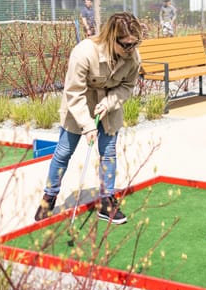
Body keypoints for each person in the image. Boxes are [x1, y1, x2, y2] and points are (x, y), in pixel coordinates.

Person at [34, 12, 143, 225]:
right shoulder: (84, 52)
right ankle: (49, 196)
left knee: (108, 152)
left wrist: (110, 102)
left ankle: (106, 200)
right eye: (126, 45)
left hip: (108, 108)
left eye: (135, 43)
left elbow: (127, 86)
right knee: (64, 152)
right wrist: (87, 126)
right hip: (79, 107)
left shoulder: (133, 57)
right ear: (113, 38)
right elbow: (74, 93)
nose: (131, 50)